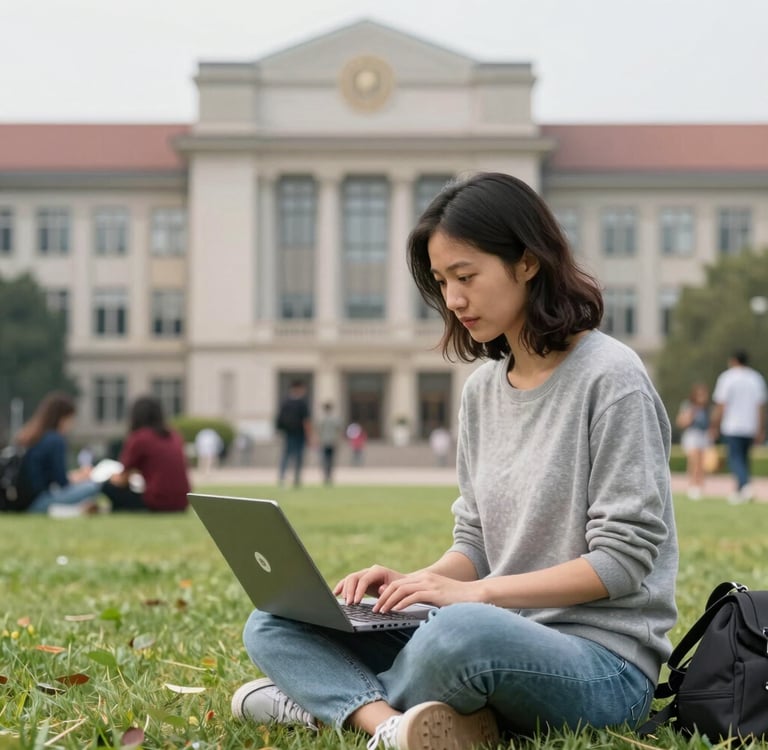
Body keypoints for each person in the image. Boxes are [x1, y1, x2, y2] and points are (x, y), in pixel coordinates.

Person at [231, 173, 678, 750]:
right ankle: (386, 724)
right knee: (276, 620)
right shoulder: (481, 391)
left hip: (602, 666)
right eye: (442, 282)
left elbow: (621, 563)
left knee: (462, 630)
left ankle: (328, 699)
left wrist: (480, 595)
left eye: (466, 277)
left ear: (527, 262)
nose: (454, 300)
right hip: (491, 628)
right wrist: (421, 581)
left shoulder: (612, 378)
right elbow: (477, 542)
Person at [15, 392, 102, 514]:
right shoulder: (55, 440)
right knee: (92, 487)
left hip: (22, 502)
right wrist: (80, 477)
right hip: (38, 502)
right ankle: (74, 511)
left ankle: (73, 510)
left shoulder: (32, 437)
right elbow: (62, 482)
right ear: (63, 418)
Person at [101, 395, 190, 512]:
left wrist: (111, 477)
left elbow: (123, 479)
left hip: (157, 502)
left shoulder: (140, 437)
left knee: (108, 486)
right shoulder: (174, 435)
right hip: (182, 502)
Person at [709, 350, 767, 504]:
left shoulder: (728, 378)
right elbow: (761, 407)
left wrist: (714, 425)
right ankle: (740, 489)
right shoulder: (756, 378)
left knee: (735, 459)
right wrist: (761, 428)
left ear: (733, 360)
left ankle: (745, 486)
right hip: (750, 425)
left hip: (733, 425)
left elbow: (721, 405)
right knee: (744, 459)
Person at [675, 383, 712, 500]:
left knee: (702, 463)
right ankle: (692, 486)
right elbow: (681, 422)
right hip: (692, 435)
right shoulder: (688, 405)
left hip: (703, 436)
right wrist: (692, 413)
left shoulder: (707, 408)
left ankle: (699, 486)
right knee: (694, 462)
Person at [276, 380, 311, 487]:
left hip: (288, 433)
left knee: (286, 455)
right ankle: (296, 478)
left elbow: (279, 419)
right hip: (299, 434)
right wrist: (310, 435)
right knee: (298, 456)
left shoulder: (285, 402)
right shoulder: (302, 403)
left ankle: (282, 476)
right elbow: (306, 421)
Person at [316, 401, 341, 485]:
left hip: (324, 442)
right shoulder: (335, 419)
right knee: (331, 460)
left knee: (325, 459)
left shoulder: (322, 419)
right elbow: (338, 430)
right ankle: (329, 476)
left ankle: (326, 476)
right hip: (332, 441)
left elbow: (319, 430)